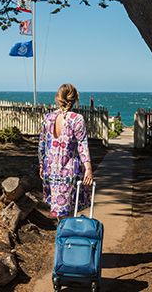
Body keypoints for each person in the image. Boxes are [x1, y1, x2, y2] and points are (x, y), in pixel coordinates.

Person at [38, 83, 94, 219]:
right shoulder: (76, 119)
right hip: (68, 170)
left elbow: (42, 144)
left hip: (50, 169)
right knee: (68, 212)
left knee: (59, 211)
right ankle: (66, 238)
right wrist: (88, 168)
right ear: (75, 99)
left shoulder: (48, 118)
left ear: (58, 98)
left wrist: (41, 164)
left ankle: (62, 237)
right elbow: (82, 144)